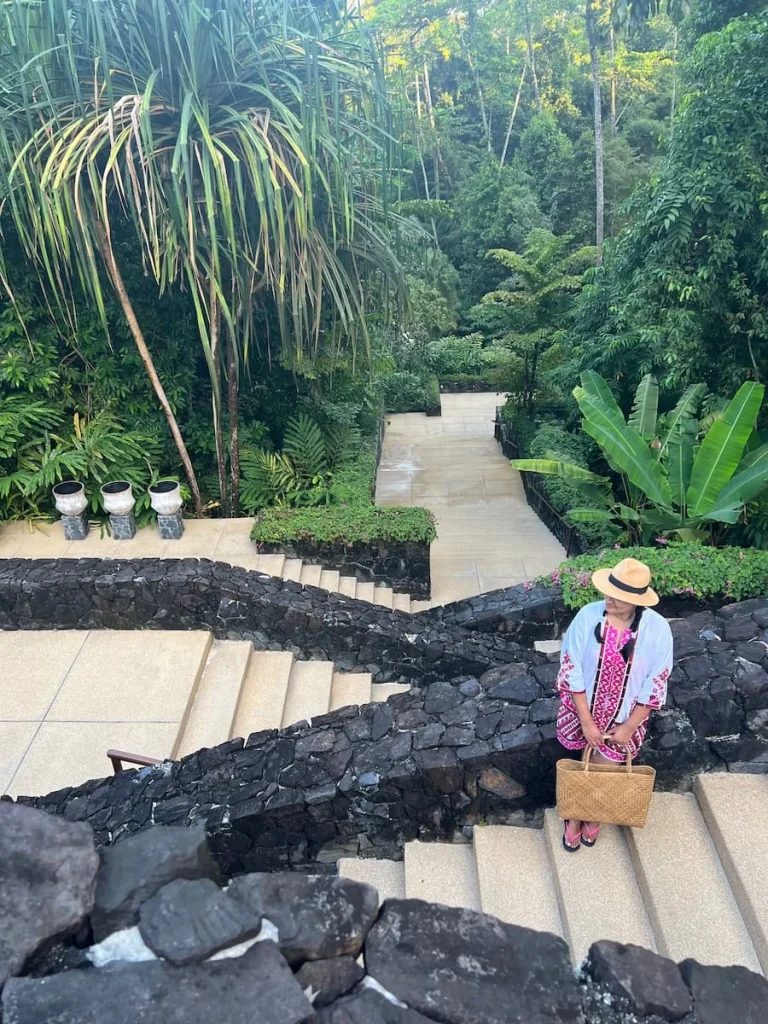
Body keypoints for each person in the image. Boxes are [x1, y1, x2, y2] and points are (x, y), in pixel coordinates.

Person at [556, 557, 673, 851]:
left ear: (635, 601)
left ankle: (590, 814)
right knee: (581, 764)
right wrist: (586, 720)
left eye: (619, 598)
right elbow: (571, 667)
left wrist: (629, 726)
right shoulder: (588, 616)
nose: (609, 599)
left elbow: (657, 679)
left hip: (626, 716)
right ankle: (575, 817)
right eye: (609, 592)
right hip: (583, 707)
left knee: (605, 769)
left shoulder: (657, 630)